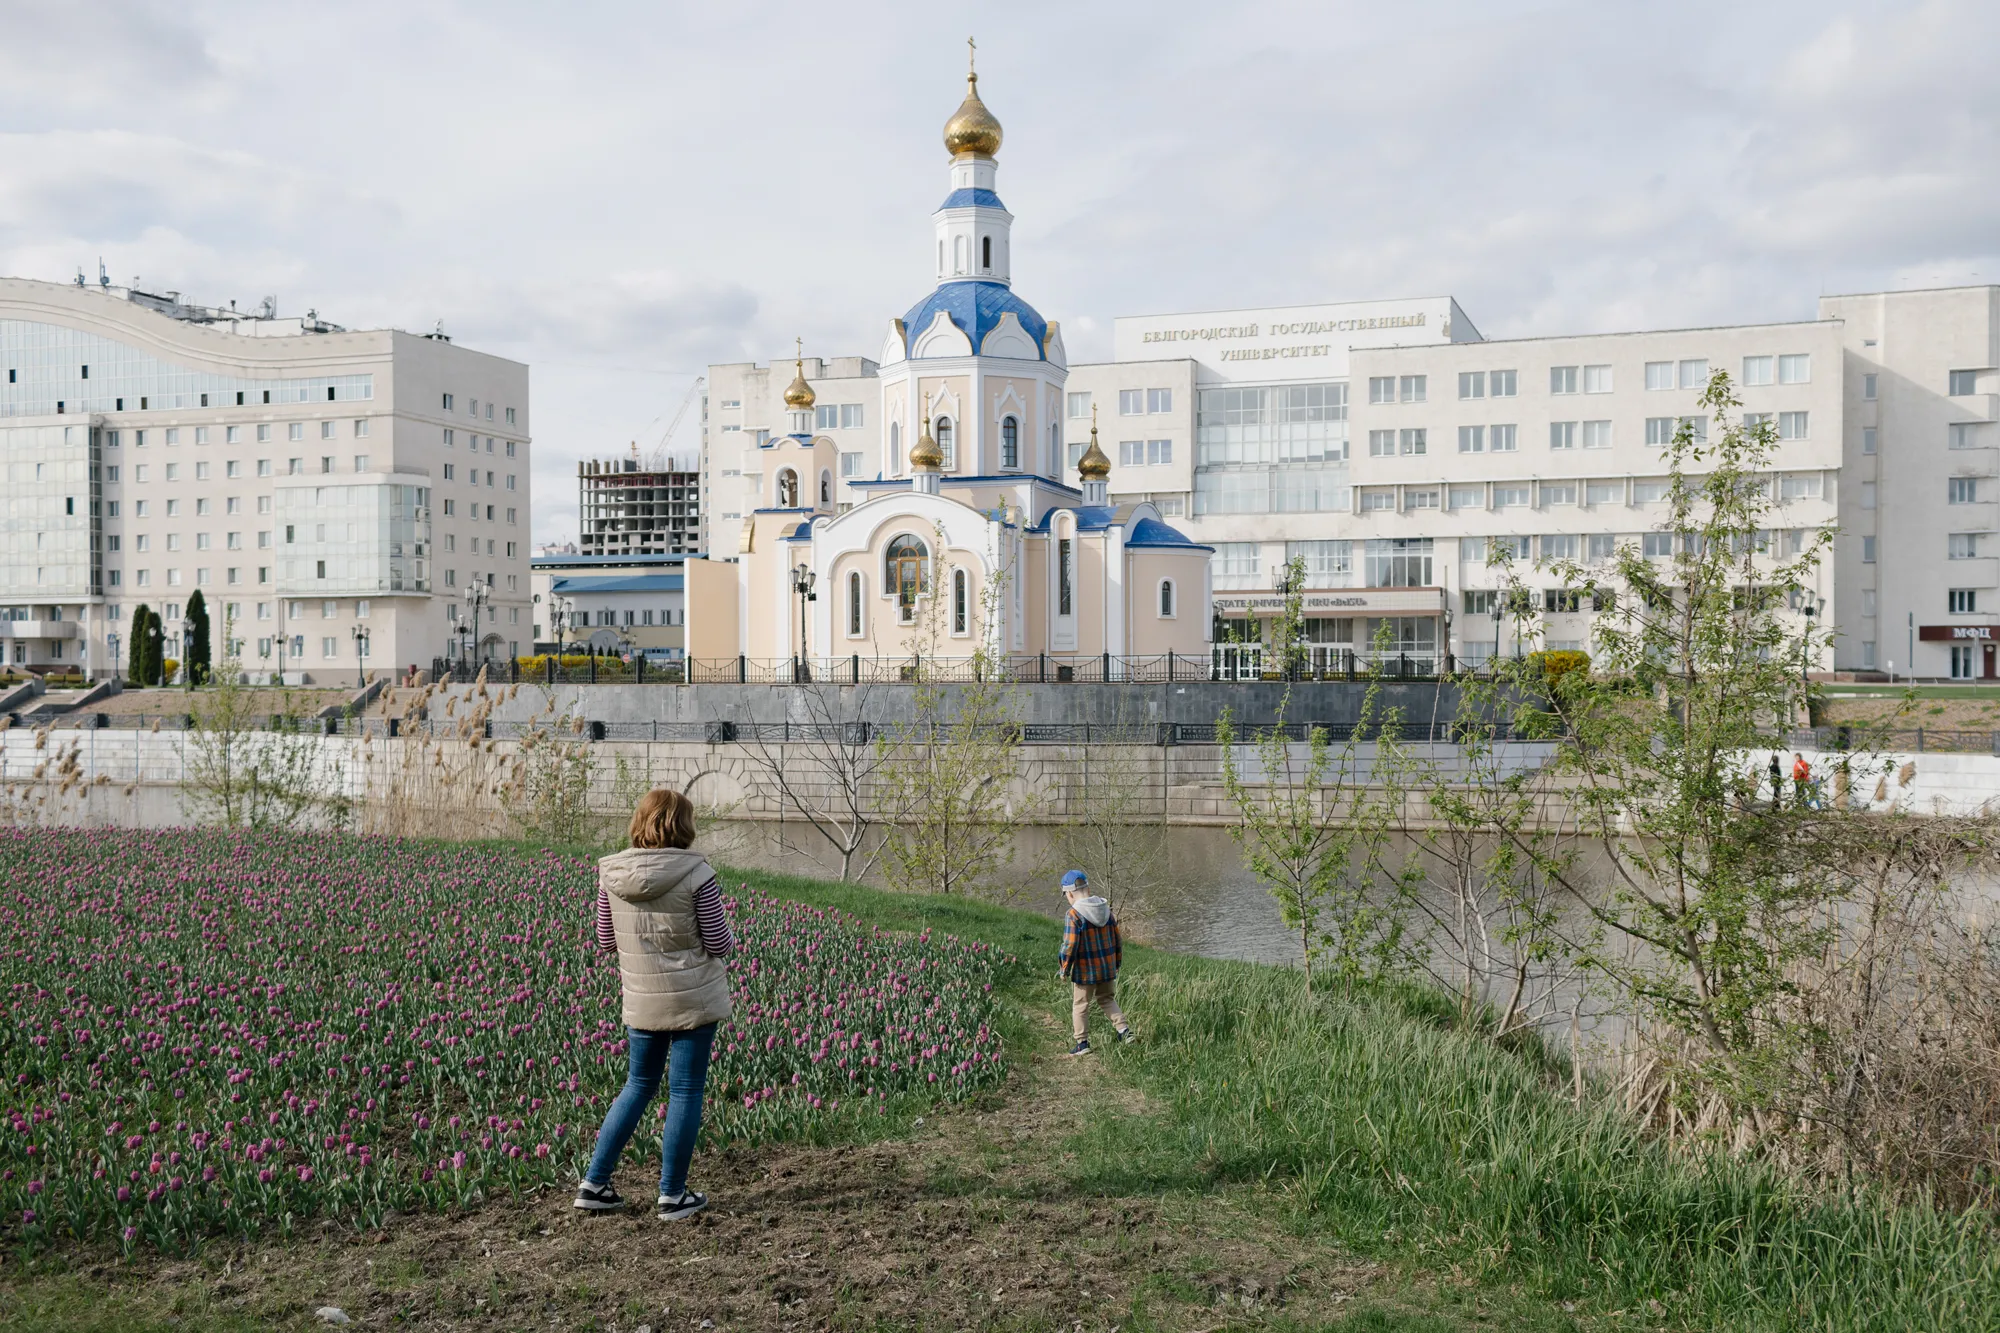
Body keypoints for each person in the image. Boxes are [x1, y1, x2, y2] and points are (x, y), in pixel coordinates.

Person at [575, 789, 735, 1221]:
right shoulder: (697, 873)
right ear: (683, 825)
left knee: (638, 1085)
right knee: (685, 1090)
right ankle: (672, 1194)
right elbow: (719, 942)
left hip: (642, 1000)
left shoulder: (611, 873)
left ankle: (595, 1182)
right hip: (692, 1000)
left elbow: (605, 941)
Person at [1058, 869, 1131, 1055]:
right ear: (1088, 889)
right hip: (1107, 968)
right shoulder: (1106, 909)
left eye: (1066, 895)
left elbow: (1070, 945)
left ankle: (1082, 1043)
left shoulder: (1073, 915)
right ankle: (1124, 1031)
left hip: (1085, 971)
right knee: (1107, 999)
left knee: (1081, 1005)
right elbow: (1117, 939)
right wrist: (1116, 963)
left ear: (1071, 894)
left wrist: (1064, 968)